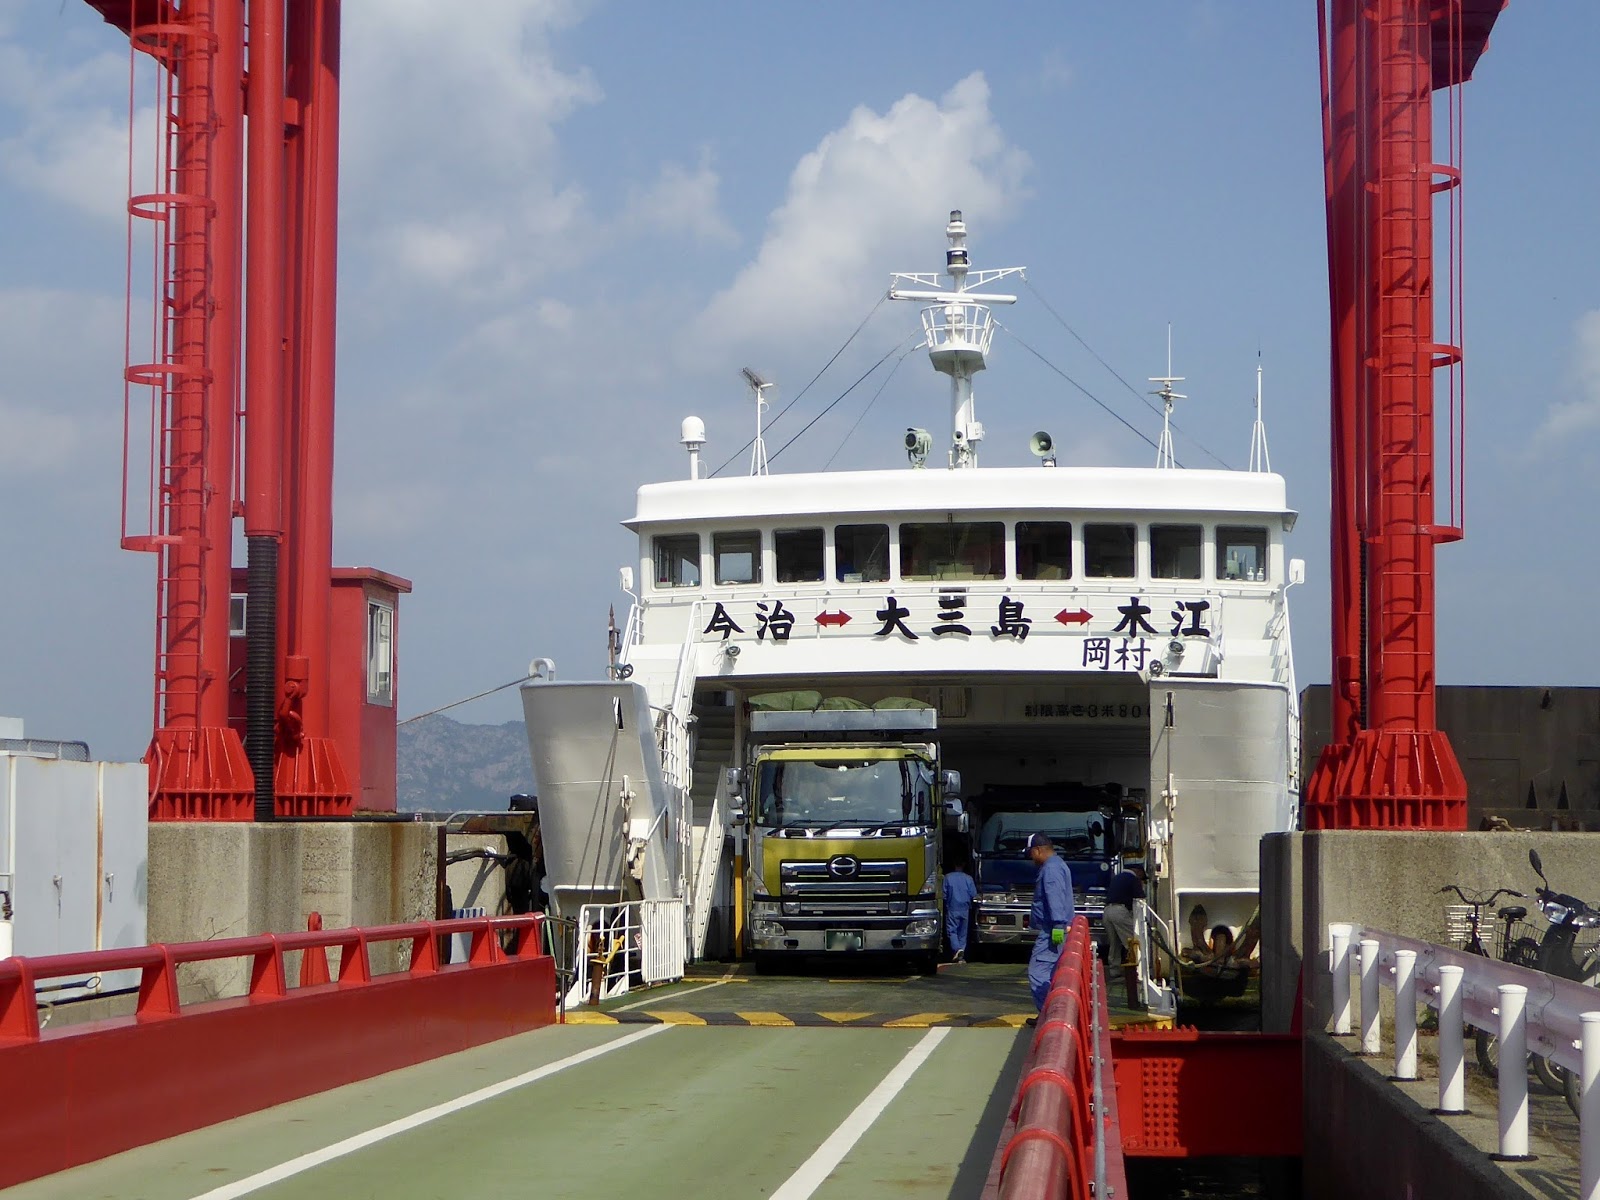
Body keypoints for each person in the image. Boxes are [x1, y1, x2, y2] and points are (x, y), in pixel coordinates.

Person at [1025, 832, 1075, 1016]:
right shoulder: (1058, 864)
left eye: (1031, 853)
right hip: (1057, 926)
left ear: (1038, 850)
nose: (1030, 858)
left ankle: (1050, 1013)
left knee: (1038, 971)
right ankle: (1051, 1013)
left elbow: (1054, 899)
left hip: (1053, 929)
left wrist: (1058, 926)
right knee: (1053, 971)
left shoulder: (1050, 870)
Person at [1102, 862, 1146, 1009]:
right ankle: (1136, 972)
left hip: (1107, 911)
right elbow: (1140, 897)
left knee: (1114, 943)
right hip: (1120, 912)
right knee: (1132, 942)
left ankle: (1114, 970)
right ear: (1137, 871)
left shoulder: (1117, 877)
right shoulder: (1133, 879)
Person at [943, 860, 978, 963]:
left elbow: (944, 894)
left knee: (952, 931)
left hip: (953, 907)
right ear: (964, 864)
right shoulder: (968, 878)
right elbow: (973, 894)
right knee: (963, 933)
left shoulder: (948, 877)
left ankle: (957, 949)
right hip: (965, 909)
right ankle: (961, 954)